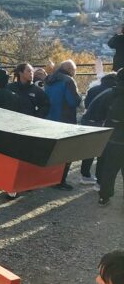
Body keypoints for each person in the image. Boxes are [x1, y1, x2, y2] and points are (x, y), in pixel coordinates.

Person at [45, 59, 83, 190]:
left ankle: (48, 178)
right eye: (74, 70)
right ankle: (59, 181)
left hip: (49, 119)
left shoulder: (49, 79)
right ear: (70, 70)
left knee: (51, 151)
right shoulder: (68, 81)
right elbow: (73, 101)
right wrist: (79, 98)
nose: (75, 73)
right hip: (65, 121)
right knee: (67, 152)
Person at [80, 72, 119, 185]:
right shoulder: (114, 92)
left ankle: (85, 175)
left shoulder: (94, 89)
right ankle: (99, 180)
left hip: (87, 121)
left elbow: (87, 104)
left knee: (89, 150)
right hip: (102, 123)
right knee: (102, 153)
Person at [96, 69, 124, 208]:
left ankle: (104, 197)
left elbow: (99, 112)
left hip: (112, 138)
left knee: (109, 170)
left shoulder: (110, 93)